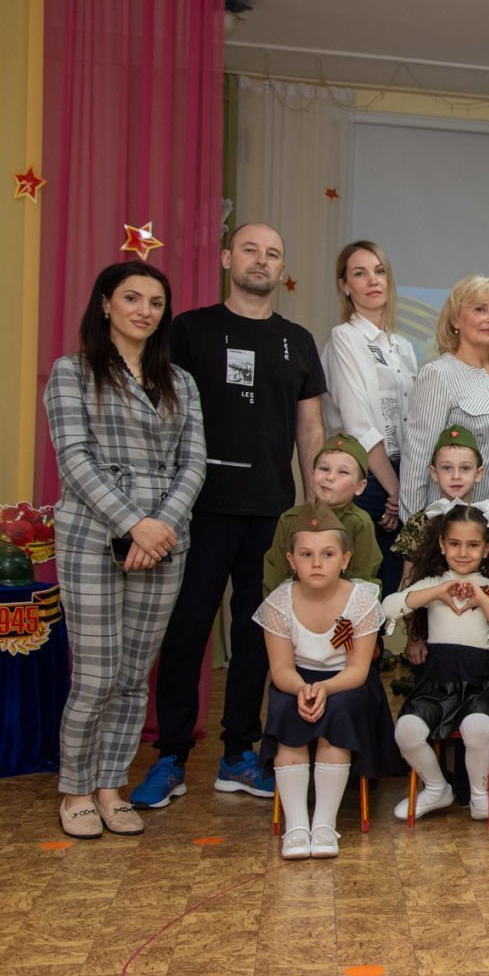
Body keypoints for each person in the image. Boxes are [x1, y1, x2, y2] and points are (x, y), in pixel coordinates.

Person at [134, 223, 326, 810]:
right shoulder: (188, 330)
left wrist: (314, 507)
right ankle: (170, 757)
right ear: (225, 258)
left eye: (273, 253)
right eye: (250, 250)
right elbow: (158, 415)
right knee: (185, 632)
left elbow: (310, 429)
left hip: (270, 512)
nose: (261, 260)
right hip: (194, 511)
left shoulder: (297, 340)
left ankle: (238, 755)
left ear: (282, 267)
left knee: (256, 637)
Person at [46, 261, 204, 838]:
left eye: (156, 302)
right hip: (94, 537)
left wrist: (158, 528)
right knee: (96, 675)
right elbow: (74, 458)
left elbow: (193, 464)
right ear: (106, 303)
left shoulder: (180, 381)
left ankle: (111, 786)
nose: (144, 310)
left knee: (135, 675)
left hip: (165, 541)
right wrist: (133, 524)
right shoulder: (72, 371)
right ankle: (76, 789)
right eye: (132, 298)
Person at [256, 503, 401, 860]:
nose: (317, 563)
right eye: (306, 554)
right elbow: (280, 668)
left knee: (336, 712)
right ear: (291, 561)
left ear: (345, 559)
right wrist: (302, 689)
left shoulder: (360, 601)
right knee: (288, 709)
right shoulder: (279, 602)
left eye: (328, 554)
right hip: (296, 680)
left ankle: (324, 822)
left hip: (347, 682)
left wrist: (324, 688)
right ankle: (296, 825)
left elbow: (358, 669)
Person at [379, 500, 489, 822]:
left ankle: (480, 798)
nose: (463, 552)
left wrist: (482, 599)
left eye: (473, 545)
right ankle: (436, 788)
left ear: (486, 548)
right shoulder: (433, 583)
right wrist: (437, 593)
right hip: (436, 683)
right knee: (406, 732)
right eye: (454, 544)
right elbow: (388, 608)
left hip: (479, 684)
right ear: (442, 545)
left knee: (477, 728)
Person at [321, 240, 417, 595]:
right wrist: (394, 488)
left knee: (393, 590)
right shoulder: (345, 338)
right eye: (360, 274)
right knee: (359, 590)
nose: (373, 280)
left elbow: (413, 422)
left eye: (379, 271)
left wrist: (405, 485)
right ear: (345, 285)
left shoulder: (403, 347)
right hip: (366, 478)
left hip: (401, 477)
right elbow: (358, 423)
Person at [401, 275, 489, 519]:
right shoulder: (438, 374)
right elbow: (416, 464)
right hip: (451, 528)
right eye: (480, 309)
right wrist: (415, 534)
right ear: (456, 319)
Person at [260, 434, 382, 595]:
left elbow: (363, 578)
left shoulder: (359, 523)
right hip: (296, 603)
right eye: (324, 469)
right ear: (312, 475)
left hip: (340, 605)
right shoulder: (290, 519)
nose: (329, 477)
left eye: (343, 472)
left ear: (360, 486)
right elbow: (275, 574)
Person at [391, 425, 485, 592]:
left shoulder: (488, 521)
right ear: (434, 473)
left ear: (478, 473)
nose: (456, 476)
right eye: (447, 468)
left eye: (465, 468)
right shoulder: (421, 521)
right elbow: (408, 579)